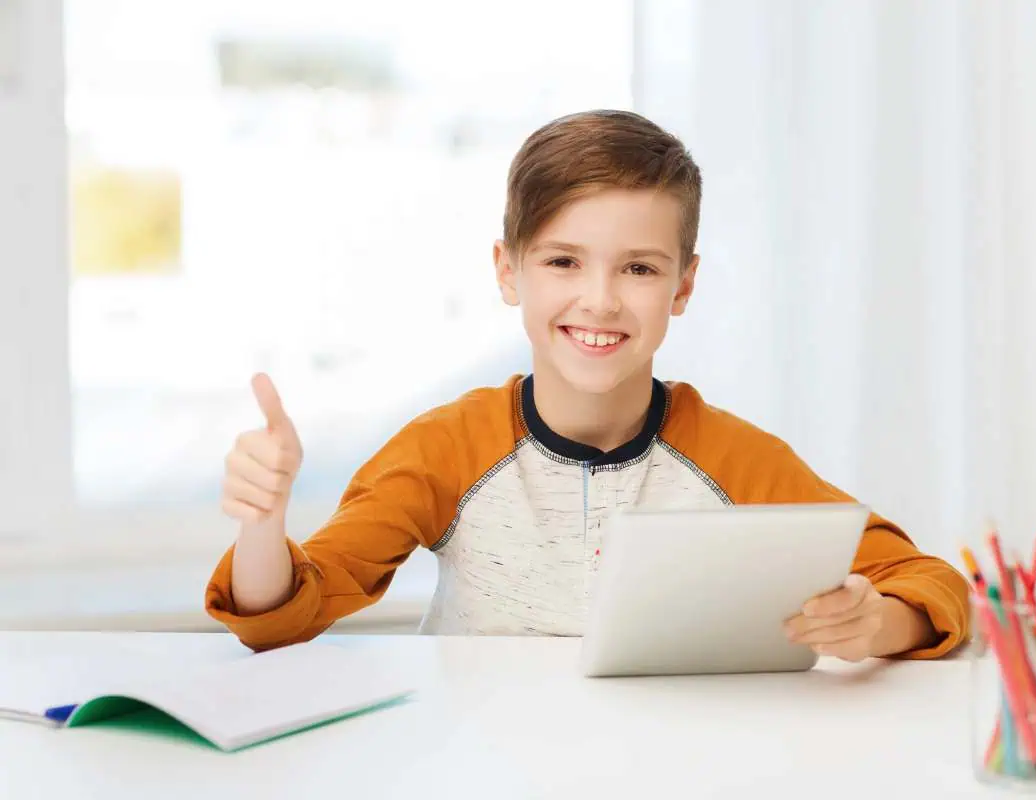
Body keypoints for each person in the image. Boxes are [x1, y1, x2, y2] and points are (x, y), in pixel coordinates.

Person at [205, 109, 970, 662]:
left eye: (638, 268)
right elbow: (283, 614)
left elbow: (927, 581)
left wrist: (882, 623)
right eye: (563, 261)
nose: (601, 299)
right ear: (509, 272)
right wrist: (262, 524)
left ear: (683, 285)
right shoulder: (447, 448)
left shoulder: (734, 457)